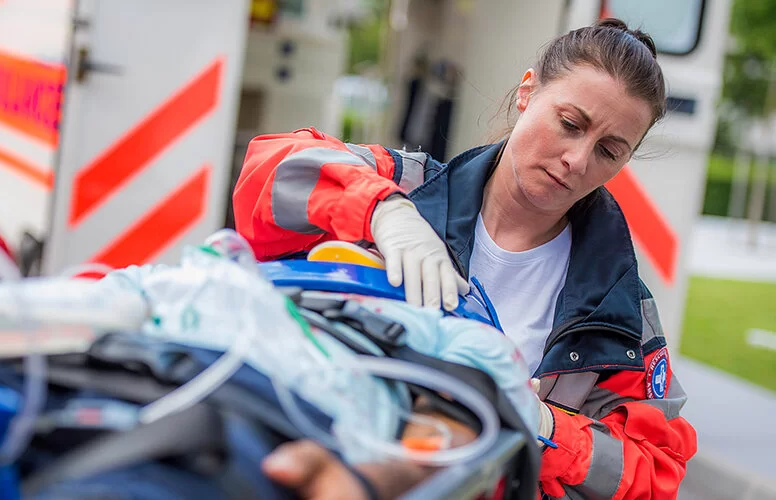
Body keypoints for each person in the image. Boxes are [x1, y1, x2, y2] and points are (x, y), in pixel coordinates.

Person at [234, 18, 697, 499]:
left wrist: (544, 425)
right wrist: (382, 211)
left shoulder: (618, 309)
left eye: (608, 150)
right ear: (527, 92)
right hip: (310, 452)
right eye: (570, 124)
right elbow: (269, 169)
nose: (577, 160)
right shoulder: (408, 186)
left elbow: (654, 467)